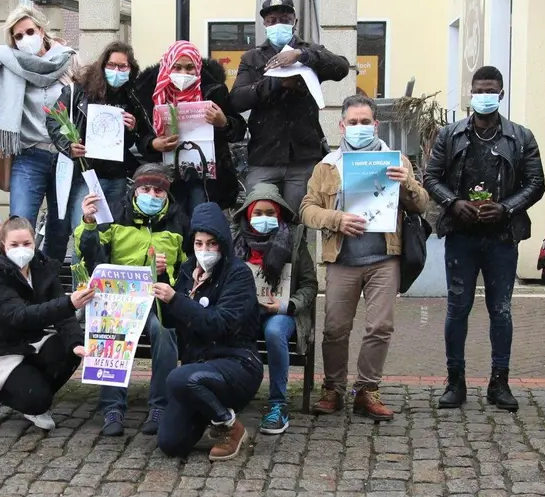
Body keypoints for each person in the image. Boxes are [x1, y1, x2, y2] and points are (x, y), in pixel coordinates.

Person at [300, 95, 431, 420]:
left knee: (380, 326)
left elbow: (422, 204)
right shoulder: (327, 167)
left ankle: (367, 390)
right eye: (353, 122)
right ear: (342, 125)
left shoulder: (396, 160)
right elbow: (306, 210)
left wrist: (407, 184)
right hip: (342, 258)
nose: (359, 128)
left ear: (376, 124)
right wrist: (336, 219)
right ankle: (333, 389)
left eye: (365, 122)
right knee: (334, 329)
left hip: (384, 258)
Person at [423, 66, 544, 412]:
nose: (484, 96)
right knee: (457, 308)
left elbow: (536, 183)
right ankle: (455, 380)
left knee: (501, 310)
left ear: (501, 94)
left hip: (502, 236)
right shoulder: (450, 135)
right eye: (478, 90)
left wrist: (506, 208)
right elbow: (432, 177)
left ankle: (499, 381)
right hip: (461, 235)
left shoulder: (521, 137)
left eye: (490, 90)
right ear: (470, 94)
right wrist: (453, 202)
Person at [0, 3, 79, 259]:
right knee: (19, 223)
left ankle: (47, 287)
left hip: (66, 157)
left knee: (59, 227)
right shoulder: (8, 61)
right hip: (29, 156)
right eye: (18, 36)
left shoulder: (70, 59)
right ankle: (18, 288)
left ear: (41, 30)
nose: (24, 39)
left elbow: (89, 92)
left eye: (29, 31)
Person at [76, 163, 187, 437]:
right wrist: (88, 222)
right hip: (120, 299)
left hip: (157, 299)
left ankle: (160, 406)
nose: (152, 195)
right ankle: (112, 407)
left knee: (164, 331)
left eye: (158, 191)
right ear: (135, 190)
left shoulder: (178, 221)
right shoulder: (114, 214)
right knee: (112, 332)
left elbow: (187, 269)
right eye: (146, 189)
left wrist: (166, 272)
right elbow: (89, 253)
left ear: (167, 195)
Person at [152, 203, 264, 461]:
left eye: (212, 243)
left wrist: (176, 300)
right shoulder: (187, 271)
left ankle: (229, 425)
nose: (205, 250)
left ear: (223, 243)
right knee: (170, 443)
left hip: (236, 363)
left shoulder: (238, 274)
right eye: (199, 243)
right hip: (197, 366)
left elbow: (220, 324)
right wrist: (164, 284)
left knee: (178, 378)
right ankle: (208, 411)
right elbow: (170, 321)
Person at [230, 0, 354, 213]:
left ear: (295, 21)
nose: (279, 24)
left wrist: (301, 55)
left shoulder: (310, 51)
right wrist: (276, 83)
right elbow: (237, 100)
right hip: (263, 157)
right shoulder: (252, 58)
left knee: (299, 222)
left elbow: (341, 67)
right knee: (260, 220)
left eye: (285, 19)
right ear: (265, 24)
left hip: (303, 158)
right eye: (273, 20)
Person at [0, 218, 92, 429]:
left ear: (34, 242)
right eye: (14, 245)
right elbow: (20, 315)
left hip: (29, 343)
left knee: (68, 350)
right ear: (3, 245)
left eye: (26, 244)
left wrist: (75, 342)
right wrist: (69, 303)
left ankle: (28, 391)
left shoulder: (42, 268)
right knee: (36, 401)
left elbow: (61, 313)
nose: (21, 250)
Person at [229, 183, 317, 435]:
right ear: (248, 214)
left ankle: (278, 404)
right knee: (228, 327)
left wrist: (288, 305)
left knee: (275, 332)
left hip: (281, 312)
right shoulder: (235, 240)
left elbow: (310, 284)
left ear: (279, 214)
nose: (264, 218)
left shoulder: (293, 239)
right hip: (246, 312)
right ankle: (232, 393)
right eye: (258, 213)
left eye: (270, 213)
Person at [46, 41, 153, 238]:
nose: (116, 71)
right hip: (86, 175)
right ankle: (82, 270)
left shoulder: (133, 96)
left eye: (122, 66)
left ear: (131, 69)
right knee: (84, 231)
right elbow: (53, 120)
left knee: (110, 234)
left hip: (118, 176)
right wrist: (68, 146)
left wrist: (133, 127)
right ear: (103, 65)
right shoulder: (79, 91)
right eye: (111, 65)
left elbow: (136, 139)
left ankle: (102, 269)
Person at [133, 41, 245, 213]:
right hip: (164, 178)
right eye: (176, 67)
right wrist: (152, 144)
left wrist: (224, 123)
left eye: (189, 67)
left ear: (198, 67)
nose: (183, 73)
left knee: (201, 227)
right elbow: (140, 135)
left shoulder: (214, 91)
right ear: (167, 66)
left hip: (207, 182)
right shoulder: (148, 95)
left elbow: (238, 131)